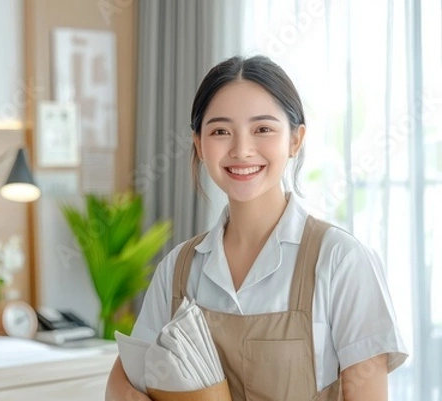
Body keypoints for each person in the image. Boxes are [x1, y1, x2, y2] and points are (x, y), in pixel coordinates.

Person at [105, 55, 407, 401]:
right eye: (220, 131)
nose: (242, 150)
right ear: (200, 145)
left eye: (262, 129)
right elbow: (122, 382)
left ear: (295, 139)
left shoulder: (342, 261)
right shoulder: (178, 268)